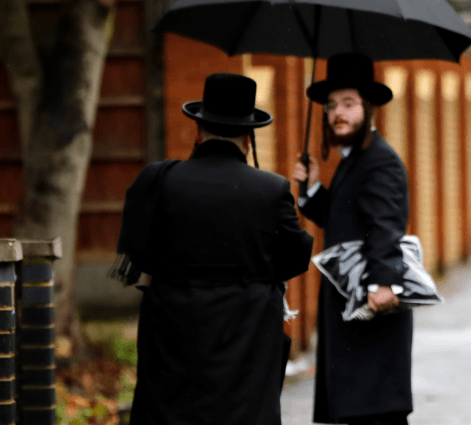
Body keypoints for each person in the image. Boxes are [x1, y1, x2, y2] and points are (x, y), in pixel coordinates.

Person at [113, 73, 314, 425]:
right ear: (248, 140)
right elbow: (296, 257)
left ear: (197, 131)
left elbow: (139, 249)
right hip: (246, 335)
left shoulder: (158, 180)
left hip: (171, 330)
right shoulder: (271, 190)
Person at [293, 53, 413, 425]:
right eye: (330, 106)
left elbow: (386, 225)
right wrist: (312, 188)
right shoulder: (354, 159)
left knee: (376, 415)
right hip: (350, 312)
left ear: (370, 107)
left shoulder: (380, 161)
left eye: (348, 104)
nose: (336, 114)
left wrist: (385, 281)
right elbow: (344, 221)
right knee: (358, 413)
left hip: (370, 309)